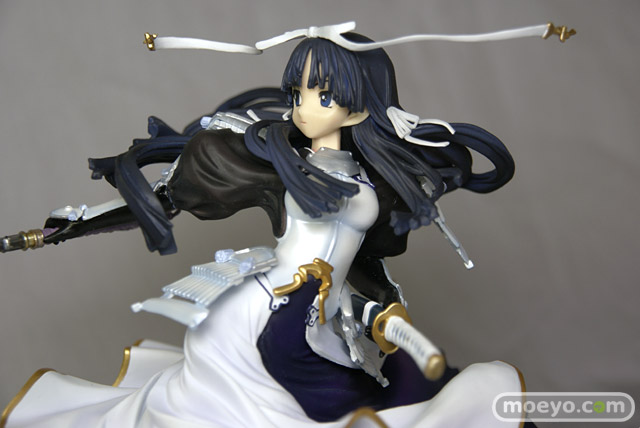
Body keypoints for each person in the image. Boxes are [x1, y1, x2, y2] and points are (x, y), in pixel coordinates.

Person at [2, 25, 544, 428]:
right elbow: (166, 198)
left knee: (386, 389)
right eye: (297, 94)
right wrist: (65, 228)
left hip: (322, 315)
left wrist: (381, 307)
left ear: (359, 109)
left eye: (323, 96)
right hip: (268, 311)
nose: (304, 108)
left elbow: (356, 262)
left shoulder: (367, 182)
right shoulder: (285, 168)